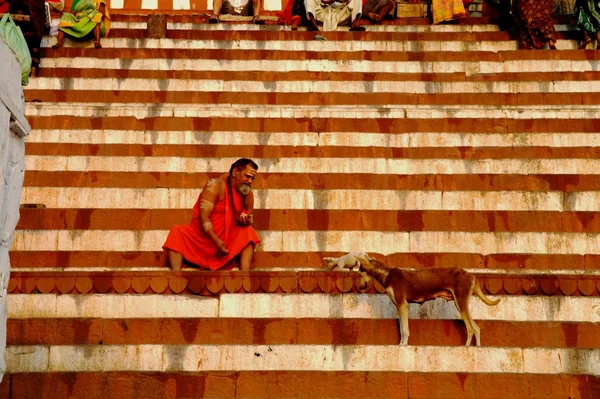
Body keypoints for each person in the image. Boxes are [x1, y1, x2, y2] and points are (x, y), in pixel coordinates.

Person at [163, 158, 261, 271]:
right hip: (204, 238)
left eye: (252, 178)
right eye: (247, 176)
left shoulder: (248, 194)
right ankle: (177, 277)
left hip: (227, 241)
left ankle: (244, 277)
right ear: (235, 172)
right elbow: (203, 217)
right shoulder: (215, 185)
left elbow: (249, 218)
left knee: (248, 232)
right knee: (177, 232)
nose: (250, 181)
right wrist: (216, 241)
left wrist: (245, 220)